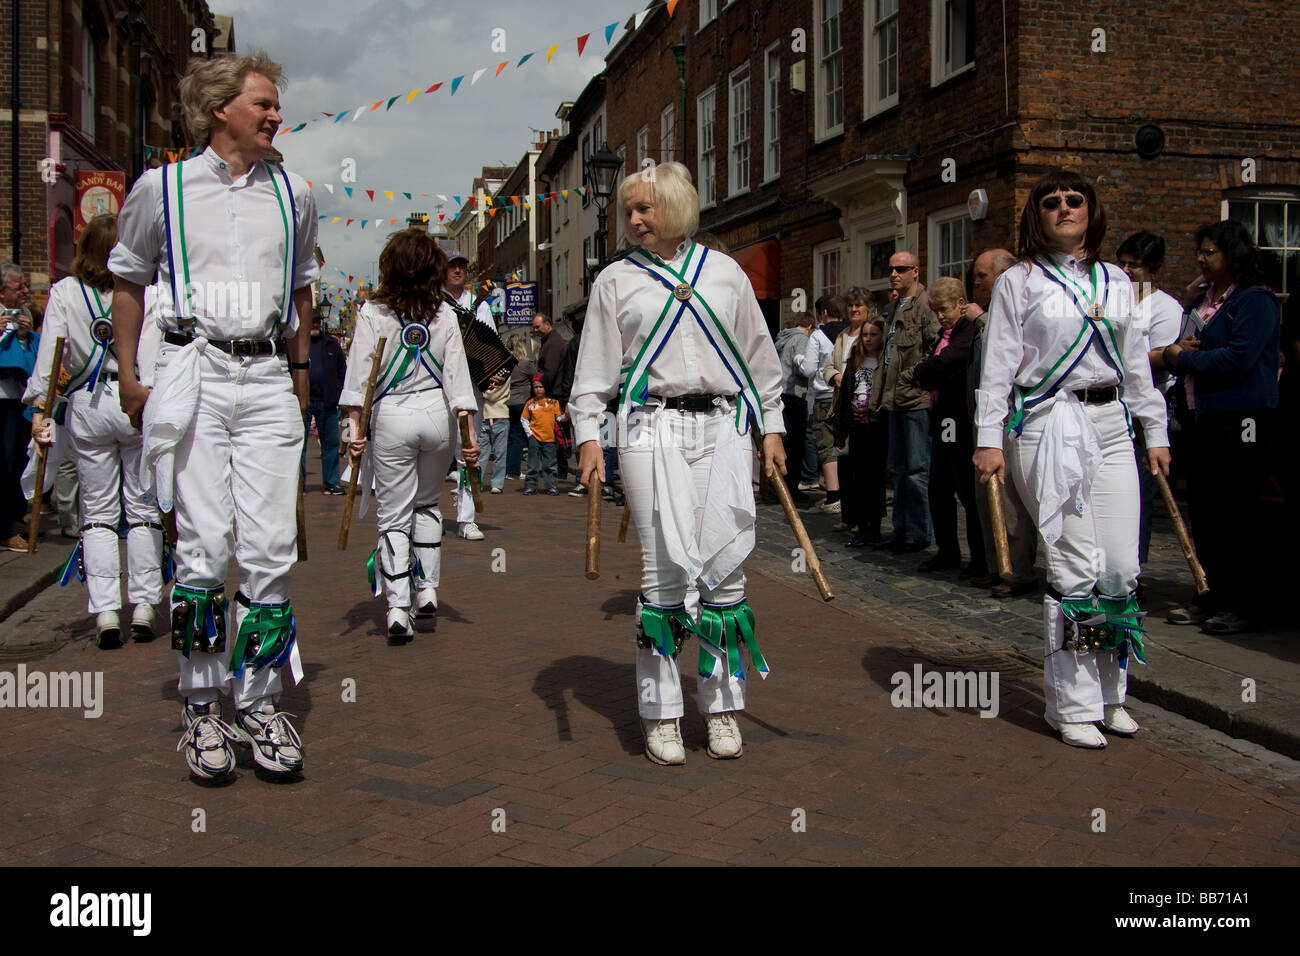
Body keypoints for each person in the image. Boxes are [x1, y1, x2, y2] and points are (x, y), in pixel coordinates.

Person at [108, 50, 319, 780]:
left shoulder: (295, 193)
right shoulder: (159, 188)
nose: (274, 116)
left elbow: (300, 296)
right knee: (202, 546)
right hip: (191, 369)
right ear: (219, 107)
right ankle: (202, 709)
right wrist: (132, 378)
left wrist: (298, 378)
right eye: (262, 103)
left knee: (268, 549)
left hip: (263, 375)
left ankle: (259, 700)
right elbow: (128, 281)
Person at [570, 161, 786, 766]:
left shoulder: (724, 273)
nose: (635, 219)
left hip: (723, 424)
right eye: (628, 210)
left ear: (678, 206)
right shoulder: (615, 280)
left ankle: (722, 710)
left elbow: (761, 359)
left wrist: (772, 426)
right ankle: (661, 715)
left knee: (725, 570)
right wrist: (589, 434)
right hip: (647, 426)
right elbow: (593, 371)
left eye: (646, 207)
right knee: (662, 571)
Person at [974, 171, 1170, 750]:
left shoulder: (1116, 280)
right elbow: (999, 366)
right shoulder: (1019, 282)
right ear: (1037, 215)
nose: (1064, 208)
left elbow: (1136, 364)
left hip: (1112, 424)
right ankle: (1072, 704)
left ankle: (1112, 694)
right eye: (1052, 202)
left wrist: (1154, 429)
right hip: (1048, 423)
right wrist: (987, 439)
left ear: (1091, 211)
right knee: (1074, 565)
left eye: (1074, 200)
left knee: (1120, 566)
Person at [25, 214, 164, 648]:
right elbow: (156, 355)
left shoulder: (65, 293)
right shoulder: (149, 291)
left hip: (88, 405)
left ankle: (106, 611)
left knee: (99, 513)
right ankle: (144, 603)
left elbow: (50, 361)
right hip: (136, 400)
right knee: (142, 507)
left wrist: (38, 413)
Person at [340, 230, 479, 642]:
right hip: (438, 416)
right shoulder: (445, 313)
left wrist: (353, 430)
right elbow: (458, 381)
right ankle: (429, 588)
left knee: (394, 515)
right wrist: (469, 439)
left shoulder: (372, 312)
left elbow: (359, 378)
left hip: (392, 416)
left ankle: (398, 607)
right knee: (427, 504)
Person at [1163, 221, 1281, 635]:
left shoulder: (1255, 301)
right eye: (1200, 251)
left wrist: (1182, 358)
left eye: (1210, 251)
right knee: (1208, 514)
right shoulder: (1205, 299)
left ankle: (1244, 603)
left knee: (1238, 514)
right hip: (1204, 416)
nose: (1201, 258)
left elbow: (1240, 358)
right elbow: (1189, 342)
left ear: (1233, 254)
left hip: (1242, 418)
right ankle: (1209, 592)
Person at [965, 248, 1037, 595]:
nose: (977, 283)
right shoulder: (986, 314)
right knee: (985, 495)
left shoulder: (1013, 310)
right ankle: (996, 565)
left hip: (1014, 415)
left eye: (982, 276)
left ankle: (1017, 570)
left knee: (1010, 498)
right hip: (985, 415)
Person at [1115, 231, 1185, 576]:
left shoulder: (1165, 308)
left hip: (1145, 410)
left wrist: (1125, 360)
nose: (1127, 271)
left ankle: (1133, 571)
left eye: (1135, 266)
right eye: (1123, 263)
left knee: (1138, 495)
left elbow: (1163, 357)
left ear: (1152, 268)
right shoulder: (1112, 301)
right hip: (1111, 407)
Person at [905, 276, 985, 574]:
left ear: (961, 305)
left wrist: (925, 371)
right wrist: (927, 372)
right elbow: (931, 371)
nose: (940, 316)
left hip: (957, 419)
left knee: (964, 489)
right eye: (936, 310)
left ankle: (979, 558)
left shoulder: (967, 332)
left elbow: (945, 364)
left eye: (944, 309)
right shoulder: (945, 333)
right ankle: (947, 550)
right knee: (939, 489)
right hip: (941, 417)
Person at [872, 252, 941, 553]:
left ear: (915, 271)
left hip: (915, 398)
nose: (894, 274)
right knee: (898, 468)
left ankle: (919, 532)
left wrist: (914, 375)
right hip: (894, 399)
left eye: (901, 269)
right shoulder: (894, 306)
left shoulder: (926, 305)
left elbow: (937, 346)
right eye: (891, 269)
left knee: (917, 469)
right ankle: (900, 530)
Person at [440, 247, 499, 541]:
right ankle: (424, 511)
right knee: (432, 449)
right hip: (436, 387)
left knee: (468, 453)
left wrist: (497, 371)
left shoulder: (480, 306)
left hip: (470, 388)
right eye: (452, 265)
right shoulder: (431, 303)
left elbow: (492, 348)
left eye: (462, 265)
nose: (458, 270)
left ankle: (466, 518)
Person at [833, 316, 888, 546]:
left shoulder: (885, 363)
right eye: (865, 334)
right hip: (855, 428)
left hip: (876, 429)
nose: (868, 339)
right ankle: (861, 527)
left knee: (874, 481)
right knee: (858, 480)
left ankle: (874, 529)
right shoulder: (856, 362)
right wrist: (841, 430)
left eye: (873, 334)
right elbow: (845, 396)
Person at [0, 263, 37, 551]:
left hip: (16, 399)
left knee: (15, 462)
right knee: (3, 463)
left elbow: (28, 357)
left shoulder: (23, 316)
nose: (26, 291)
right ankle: (4, 528)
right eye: (19, 287)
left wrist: (25, 338)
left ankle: (12, 516)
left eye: (25, 285)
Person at [795, 295, 841, 509]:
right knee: (845, 446)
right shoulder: (851, 332)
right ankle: (844, 494)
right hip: (848, 395)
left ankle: (833, 496)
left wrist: (797, 359)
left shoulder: (818, 336)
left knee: (826, 445)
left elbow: (809, 369)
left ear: (823, 313)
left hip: (824, 396)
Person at [302, 308, 346, 494]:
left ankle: (331, 482)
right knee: (299, 445)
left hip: (327, 401)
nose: (315, 324)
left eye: (318, 321)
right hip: (303, 402)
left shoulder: (331, 344)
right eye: (312, 321)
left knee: (331, 444)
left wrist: (339, 395)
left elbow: (342, 371)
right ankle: (299, 484)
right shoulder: (298, 343)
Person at [773, 312, 813, 503]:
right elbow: (803, 369)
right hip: (795, 394)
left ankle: (779, 487)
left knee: (785, 441)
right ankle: (791, 488)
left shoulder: (783, 338)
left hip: (781, 393)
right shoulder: (801, 340)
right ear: (809, 327)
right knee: (796, 443)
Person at [520, 375, 563, 495]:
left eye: (541, 387)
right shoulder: (530, 403)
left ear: (546, 387)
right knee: (532, 465)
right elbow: (524, 419)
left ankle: (551, 486)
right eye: (536, 387)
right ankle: (530, 486)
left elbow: (559, 418)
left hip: (550, 438)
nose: (538, 389)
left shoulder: (553, 403)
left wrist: (567, 416)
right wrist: (530, 434)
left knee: (550, 464)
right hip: (535, 438)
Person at [505, 336, 536, 480]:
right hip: (521, 403)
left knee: (510, 437)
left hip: (507, 402)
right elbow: (536, 378)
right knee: (519, 437)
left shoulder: (505, 363)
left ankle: (507, 469)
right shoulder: (525, 364)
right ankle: (514, 471)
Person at [479, 373, 509, 494]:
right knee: (481, 453)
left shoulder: (506, 374)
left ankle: (497, 483)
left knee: (500, 453)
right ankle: (477, 482)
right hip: (484, 417)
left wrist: (482, 392)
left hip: (500, 417)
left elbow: (492, 395)